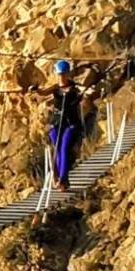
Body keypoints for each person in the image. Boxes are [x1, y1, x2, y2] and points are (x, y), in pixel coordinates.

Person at [46, 59, 93, 188]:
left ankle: (62, 179)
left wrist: (85, 91)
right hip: (56, 123)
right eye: (60, 74)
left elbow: (85, 90)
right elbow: (42, 92)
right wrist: (33, 89)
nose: (62, 77)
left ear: (68, 74)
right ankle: (60, 179)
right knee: (58, 150)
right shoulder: (55, 88)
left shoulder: (74, 88)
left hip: (70, 123)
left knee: (64, 148)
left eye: (64, 74)